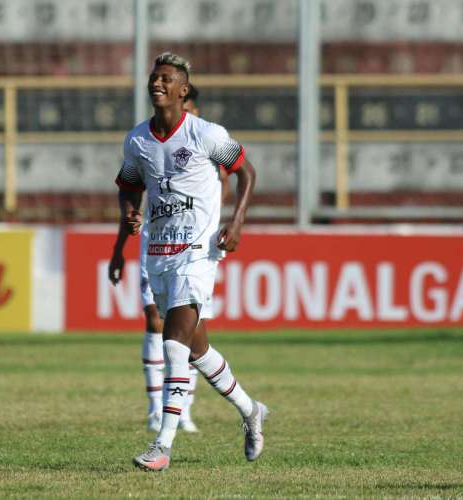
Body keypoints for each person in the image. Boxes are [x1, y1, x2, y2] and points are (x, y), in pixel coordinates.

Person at [111, 52, 267, 472]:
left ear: (183, 90)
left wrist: (236, 223)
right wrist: (129, 213)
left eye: (166, 79)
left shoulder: (207, 134)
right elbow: (128, 185)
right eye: (154, 77)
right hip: (159, 254)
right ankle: (251, 409)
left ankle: (162, 445)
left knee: (173, 344)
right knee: (198, 349)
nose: (157, 83)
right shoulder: (137, 140)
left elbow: (247, 172)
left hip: (198, 253)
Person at [109, 84, 230, 435]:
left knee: (188, 331)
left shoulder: (206, 142)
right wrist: (119, 247)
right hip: (156, 242)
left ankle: (184, 410)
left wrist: (223, 224)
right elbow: (131, 194)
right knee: (154, 320)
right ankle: (154, 410)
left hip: (196, 248)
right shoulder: (146, 142)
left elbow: (231, 179)